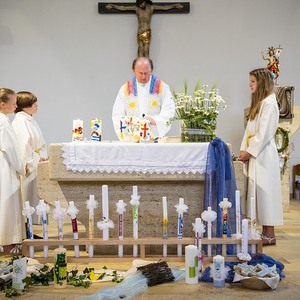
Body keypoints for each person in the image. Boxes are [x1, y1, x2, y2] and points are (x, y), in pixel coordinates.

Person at [239, 68, 283, 246]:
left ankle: (270, 234)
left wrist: (249, 151)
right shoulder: (261, 103)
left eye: (253, 81)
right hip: (257, 154)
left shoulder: (269, 103)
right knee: (259, 193)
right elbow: (251, 131)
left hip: (264, 155)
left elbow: (264, 133)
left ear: (262, 83)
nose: (250, 84)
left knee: (266, 193)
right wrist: (245, 149)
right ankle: (264, 232)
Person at [112, 56, 175, 139]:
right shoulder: (125, 89)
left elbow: (169, 110)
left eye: (146, 73)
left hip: (155, 138)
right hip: (132, 138)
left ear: (151, 70)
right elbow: (117, 114)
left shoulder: (162, 88)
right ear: (134, 71)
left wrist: (156, 120)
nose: (143, 76)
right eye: (140, 73)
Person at [12, 91, 47, 225]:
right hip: (29, 165)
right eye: (33, 103)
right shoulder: (20, 122)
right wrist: (34, 160)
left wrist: (42, 156)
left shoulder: (29, 119)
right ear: (25, 106)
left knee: (34, 197)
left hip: (37, 161)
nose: (36, 105)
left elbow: (40, 143)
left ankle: (31, 228)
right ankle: (26, 229)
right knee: (27, 197)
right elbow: (22, 146)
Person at [0, 88, 27, 254]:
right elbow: (10, 148)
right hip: (5, 165)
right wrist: (21, 166)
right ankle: (8, 243)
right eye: (13, 102)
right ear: (3, 104)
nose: (16, 105)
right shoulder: (3, 121)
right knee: (8, 204)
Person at [106, 0, 183, 57]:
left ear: (145, 1)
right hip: (140, 31)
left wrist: (175, 5)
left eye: (142, 4)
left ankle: (147, 67)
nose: (141, 6)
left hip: (147, 31)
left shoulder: (151, 8)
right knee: (140, 49)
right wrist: (112, 6)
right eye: (139, 5)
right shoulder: (136, 8)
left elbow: (164, 7)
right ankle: (139, 67)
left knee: (146, 50)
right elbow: (123, 8)